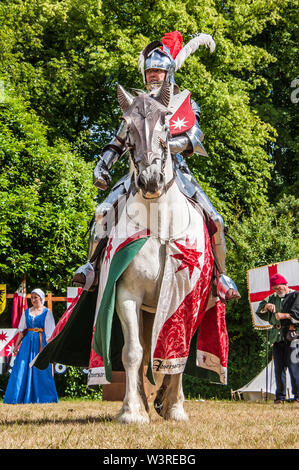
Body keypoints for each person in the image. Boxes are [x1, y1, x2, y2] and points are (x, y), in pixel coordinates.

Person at [73, 31, 240, 302]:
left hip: (176, 171)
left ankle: (219, 277)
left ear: (169, 73)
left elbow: (194, 137)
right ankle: (91, 265)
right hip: (138, 172)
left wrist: (166, 145)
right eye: (149, 71)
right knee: (103, 212)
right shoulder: (136, 105)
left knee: (216, 220)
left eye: (158, 71)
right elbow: (118, 141)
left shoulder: (183, 102)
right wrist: (103, 165)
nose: (153, 76)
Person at [3, 288, 58, 404]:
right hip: (27, 345)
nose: (33, 300)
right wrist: (16, 346)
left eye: (35, 297)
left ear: (41, 298)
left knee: (40, 370)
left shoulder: (47, 312)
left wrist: (48, 349)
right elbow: (22, 331)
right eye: (32, 297)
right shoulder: (27, 312)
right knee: (21, 367)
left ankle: (44, 398)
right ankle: (17, 398)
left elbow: (49, 333)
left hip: (40, 343)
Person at [256, 273, 299, 404]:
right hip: (277, 336)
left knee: (294, 367)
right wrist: (266, 306)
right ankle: (280, 397)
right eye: (275, 288)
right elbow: (259, 311)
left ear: (285, 284)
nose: (277, 290)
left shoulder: (295, 296)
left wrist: (285, 315)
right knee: (279, 368)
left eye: (279, 287)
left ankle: (297, 396)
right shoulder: (272, 298)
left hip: (292, 336)